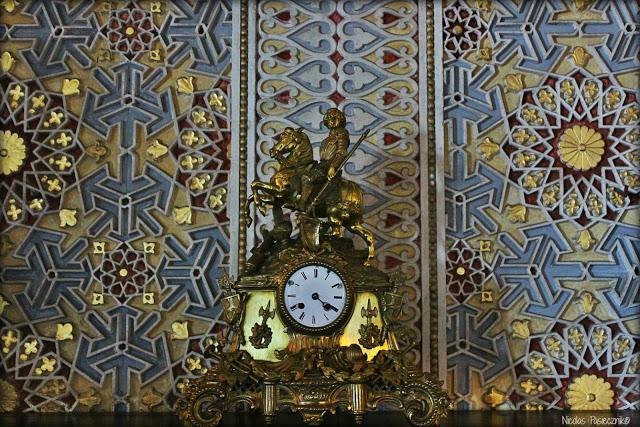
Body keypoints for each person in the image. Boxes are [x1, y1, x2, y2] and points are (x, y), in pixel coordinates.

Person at [297, 108, 350, 211]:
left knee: (306, 178)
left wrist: (332, 167)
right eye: (329, 118)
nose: (332, 120)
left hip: (327, 166)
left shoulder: (342, 134)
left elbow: (341, 153)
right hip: (321, 165)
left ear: (341, 120)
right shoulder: (326, 140)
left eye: (336, 117)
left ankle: (302, 205)